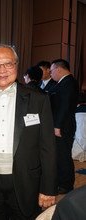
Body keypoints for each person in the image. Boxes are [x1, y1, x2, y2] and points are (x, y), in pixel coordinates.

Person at [0, 44, 57, 220]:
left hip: (27, 181)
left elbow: (48, 147)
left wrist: (48, 187)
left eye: (8, 63)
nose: (2, 70)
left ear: (16, 65)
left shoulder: (38, 100)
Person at [49, 59, 79, 194]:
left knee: (63, 155)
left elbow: (64, 106)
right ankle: (62, 182)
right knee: (60, 155)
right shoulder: (65, 82)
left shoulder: (68, 83)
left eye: (51, 71)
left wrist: (57, 125)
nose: (50, 74)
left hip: (63, 126)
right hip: (63, 125)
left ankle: (66, 185)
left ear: (58, 69)